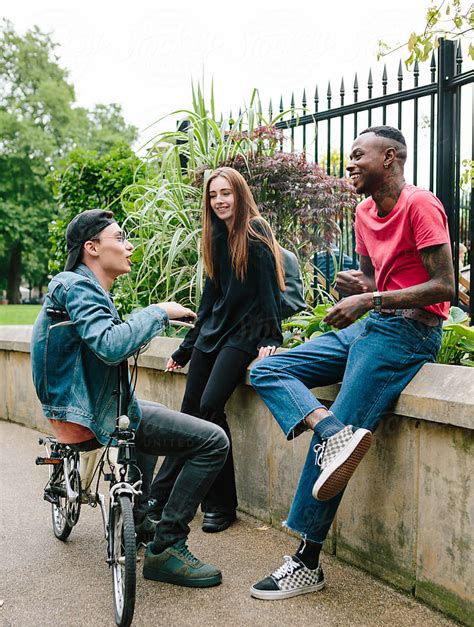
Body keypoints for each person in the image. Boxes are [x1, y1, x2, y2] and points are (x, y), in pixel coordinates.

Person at [249, 126, 454, 600]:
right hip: (370, 328)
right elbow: (369, 277)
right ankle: (331, 432)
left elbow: (445, 286)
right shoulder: (364, 211)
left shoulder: (421, 205)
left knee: (337, 444)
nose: (350, 163)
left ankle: (305, 561)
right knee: (269, 369)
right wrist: (358, 286)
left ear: (392, 158)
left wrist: (372, 300)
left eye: (360, 154)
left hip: (409, 334)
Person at [31, 209, 230, 589]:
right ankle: (167, 547)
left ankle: (138, 523)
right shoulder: (79, 287)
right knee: (212, 441)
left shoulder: (78, 287)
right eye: (119, 238)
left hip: (86, 409)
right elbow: (109, 345)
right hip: (89, 416)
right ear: (92, 248)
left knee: (140, 416)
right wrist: (160, 312)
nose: (129, 246)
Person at [144, 167, 285, 534]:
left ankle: (222, 504)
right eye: (213, 195)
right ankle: (160, 496)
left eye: (226, 193)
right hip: (213, 331)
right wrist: (187, 347)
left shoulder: (255, 231)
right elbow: (210, 298)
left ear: (239, 195)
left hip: (245, 332)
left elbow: (270, 290)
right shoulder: (216, 235)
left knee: (209, 408)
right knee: (188, 414)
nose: (219, 200)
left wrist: (271, 335)